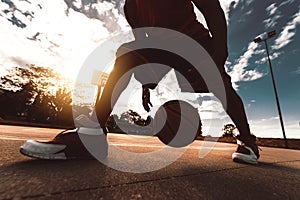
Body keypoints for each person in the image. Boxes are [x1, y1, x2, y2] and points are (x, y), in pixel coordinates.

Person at [20, 0, 260, 164]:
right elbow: (144, 41)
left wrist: (219, 54)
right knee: (125, 53)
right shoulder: (131, 7)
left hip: (195, 42)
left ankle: (248, 141)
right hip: (163, 47)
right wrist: (147, 83)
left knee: (220, 88)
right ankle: (91, 134)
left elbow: (212, 9)